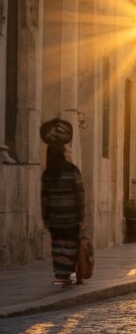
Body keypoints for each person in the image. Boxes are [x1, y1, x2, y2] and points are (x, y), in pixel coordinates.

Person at [39, 117, 86, 286]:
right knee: (72, 245)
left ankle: (61, 274)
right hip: (71, 217)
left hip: (55, 218)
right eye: (67, 149)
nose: (69, 151)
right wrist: (81, 216)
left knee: (58, 246)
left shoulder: (47, 174)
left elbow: (44, 198)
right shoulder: (72, 171)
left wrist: (46, 219)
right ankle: (74, 273)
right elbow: (80, 195)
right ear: (62, 152)